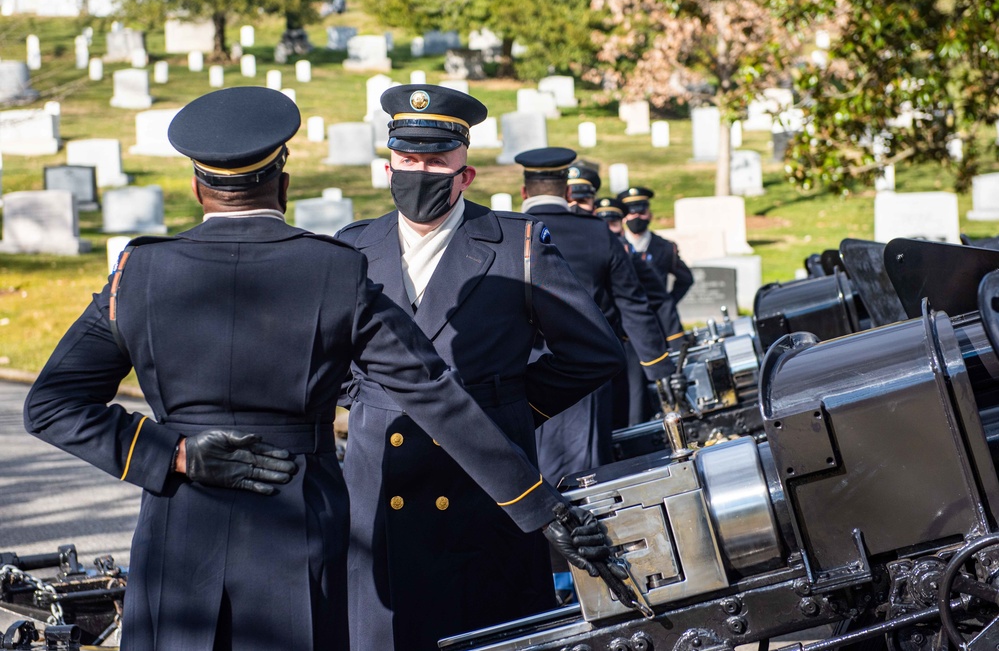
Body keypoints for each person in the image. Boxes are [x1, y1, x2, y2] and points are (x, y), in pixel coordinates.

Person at [23, 87, 613, 651]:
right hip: (296, 520)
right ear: (283, 183)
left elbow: (50, 406)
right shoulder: (333, 269)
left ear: (198, 187)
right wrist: (541, 508)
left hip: (180, 520)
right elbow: (431, 391)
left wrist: (171, 453)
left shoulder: (138, 271)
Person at [334, 85, 624, 651]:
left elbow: (595, 352)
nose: (419, 172)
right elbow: (326, 355)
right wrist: (365, 402)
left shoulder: (515, 243)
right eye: (407, 159)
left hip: (486, 491)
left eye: (436, 160)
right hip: (378, 489)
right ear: (388, 164)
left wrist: (508, 408)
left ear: (464, 172)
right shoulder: (352, 248)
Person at [516, 148, 674, 484]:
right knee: (586, 477)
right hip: (584, 375)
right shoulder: (597, 233)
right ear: (569, 192)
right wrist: (660, 368)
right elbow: (632, 303)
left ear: (524, 192)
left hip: (520, 374)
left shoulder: (508, 234)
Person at [595, 196, 682, 425]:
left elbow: (658, 300)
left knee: (634, 411)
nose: (609, 230)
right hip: (595, 345)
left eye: (613, 223)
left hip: (628, 345)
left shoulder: (630, 257)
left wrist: (672, 346)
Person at [618, 186, 693, 345]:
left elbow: (686, 278)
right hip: (628, 324)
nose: (636, 217)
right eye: (631, 212)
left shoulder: (665, 247)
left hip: (662, 322)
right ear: (624, 217)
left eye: (641, 211)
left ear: (649, 214)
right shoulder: (616, 247)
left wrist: (668, 302)